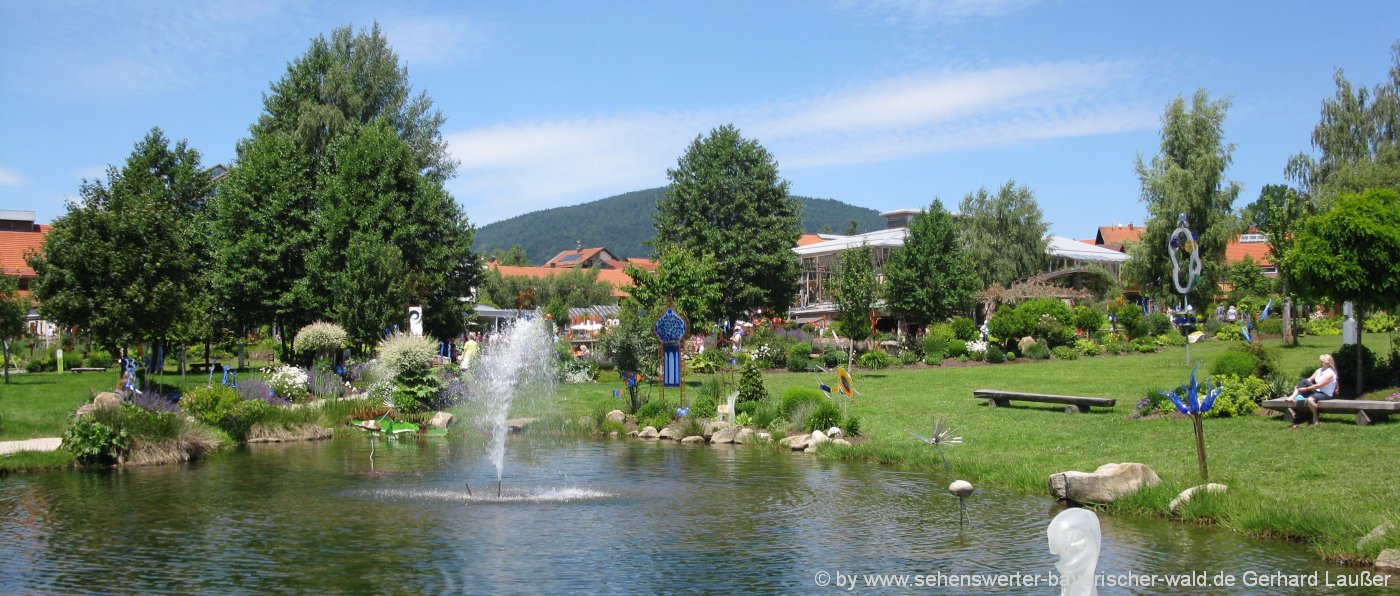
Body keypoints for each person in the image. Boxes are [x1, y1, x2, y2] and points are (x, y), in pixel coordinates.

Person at [1286, 354, 1338, 428]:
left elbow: (1319, 385)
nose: (1321, 363)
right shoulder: (1319, 370)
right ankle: (1292, 397)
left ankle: (1315, 417)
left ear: (1327, 363)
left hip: (1325, 394)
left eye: (1322, 362)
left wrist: (1305, 389)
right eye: (1320, 361)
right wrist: (1299, 386)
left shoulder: (1330, 373)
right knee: (1304, 381)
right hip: (1317, 391)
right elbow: (1310, 379)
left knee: (1310, 400)